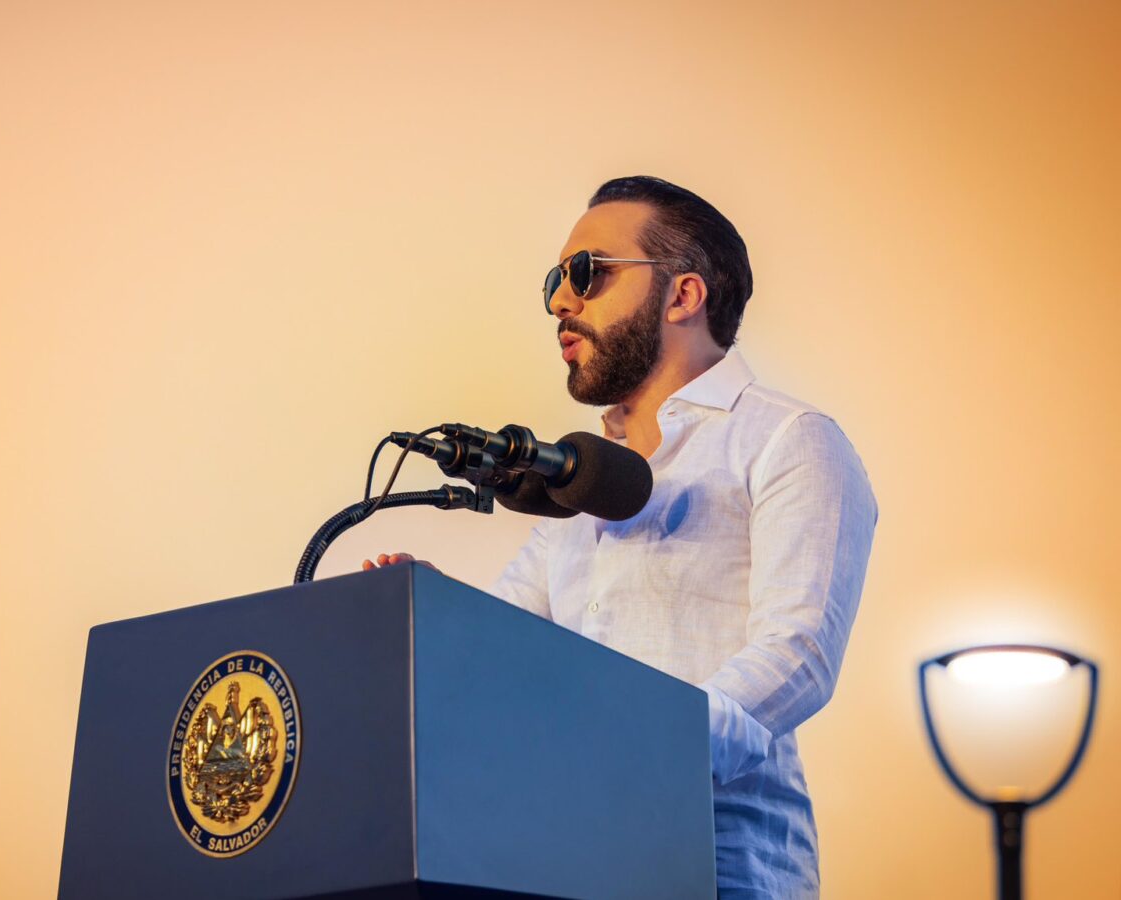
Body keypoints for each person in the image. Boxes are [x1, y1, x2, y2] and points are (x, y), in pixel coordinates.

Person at [363, 175, 878, 898]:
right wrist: (430, 618)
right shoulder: (579, 483)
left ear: (683, 295)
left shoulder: (788, 439)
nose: (560, 302)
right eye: (556, 280)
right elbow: (507, 649)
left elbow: (799, 654)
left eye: (588, 273)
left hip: (719, 863)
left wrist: (653, 748)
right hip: (557, 859)